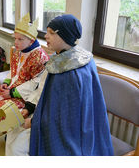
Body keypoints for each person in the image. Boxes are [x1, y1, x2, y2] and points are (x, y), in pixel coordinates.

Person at [26, 14, 114, 156]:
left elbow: (60, 116)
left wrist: (35, 121)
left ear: (66, 36)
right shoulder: (82, 58)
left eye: (52, 33)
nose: (46, 36)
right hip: (85, 123)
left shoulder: (68, 71)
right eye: (47, 32)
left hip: (71, 132)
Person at [0, 13, 49, 125]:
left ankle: (11, 129)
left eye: (20, 39)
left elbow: (36, 83)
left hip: (26, 95)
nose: (16, 42)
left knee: (2, 108)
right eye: (15, 38)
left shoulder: (39, 57)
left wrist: (12, 93)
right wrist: (6, 82)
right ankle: (7, 128)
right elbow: (13, 70)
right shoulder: (18, 50)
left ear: (31, 41)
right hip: (12, 87)